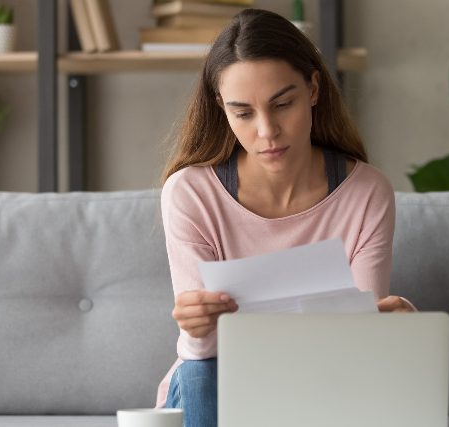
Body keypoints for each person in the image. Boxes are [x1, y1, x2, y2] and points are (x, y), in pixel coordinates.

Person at [156, 8, 416, 427]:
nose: (267, 131)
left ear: (313, 88)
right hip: (214, 380)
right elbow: (204, 353)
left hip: (319, 383)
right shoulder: (190, 193)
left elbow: (358, 347)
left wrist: (399, 333)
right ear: (222, 108)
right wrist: (195, 327)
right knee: (204, 369)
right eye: (243, 113)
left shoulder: (366, 194)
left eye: (283, 104)